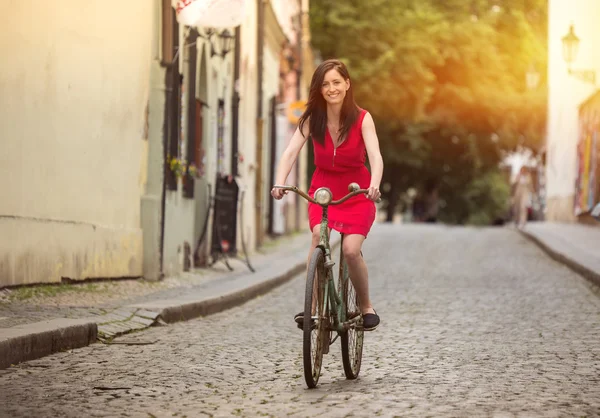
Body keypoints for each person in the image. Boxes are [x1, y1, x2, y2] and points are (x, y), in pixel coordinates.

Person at [270, 59, 384, 331]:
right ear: (319, 89)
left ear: (347, 84)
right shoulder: (312, 119)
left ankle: (366, 306)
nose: (331, 88)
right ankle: (312, 311)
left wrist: (375, 184)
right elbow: (290, 152)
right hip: (323, 189)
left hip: (357, 191)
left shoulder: (362, 118)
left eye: (336, 82)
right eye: (325, 84)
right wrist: (279, 182)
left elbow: (376, 156)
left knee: (350, 250)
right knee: (316, 238)